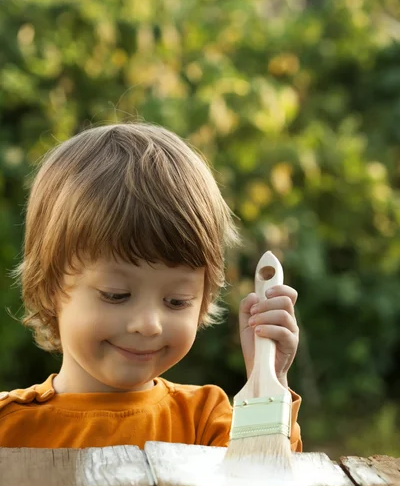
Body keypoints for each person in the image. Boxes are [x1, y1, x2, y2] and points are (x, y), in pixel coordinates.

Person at [0, 123, 302, 450]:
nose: (148, 324)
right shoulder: (9, 426)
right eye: (116, 295)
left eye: (176, 301)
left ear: (203, 300)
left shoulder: (205, 422)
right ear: (50, 287)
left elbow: (268, 484)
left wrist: (268, 382)